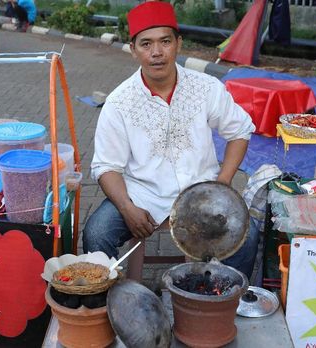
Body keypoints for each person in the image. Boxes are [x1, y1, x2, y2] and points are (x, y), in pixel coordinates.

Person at [82, 1, 261, 278]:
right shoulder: (119, 103)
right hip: (143, 196)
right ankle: (115, 308)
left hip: (202, 193)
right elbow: (106, 167)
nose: (156, 53)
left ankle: (228, 304)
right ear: (133, 50)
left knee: (248, 236)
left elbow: (239, 131)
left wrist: (223, 183)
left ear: (178, 43)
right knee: (97, 233)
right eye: (146, 44)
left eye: (165, 41)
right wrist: (127, 208)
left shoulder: (206, 88)